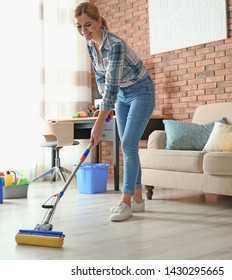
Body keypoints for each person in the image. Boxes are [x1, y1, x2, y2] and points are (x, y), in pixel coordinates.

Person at [74, 2, 155, 222]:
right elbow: (101, 80)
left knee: (128, 144)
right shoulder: (91, 46)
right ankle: (138, 198)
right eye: (79, 26)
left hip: (141, 92)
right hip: (121, 95)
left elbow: (111, 84)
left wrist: (99, 123)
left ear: (99, 21)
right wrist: (104, 110)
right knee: (128, 146)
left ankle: (126, 202)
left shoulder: (115, 45)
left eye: (88, 25)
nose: (84, 31)